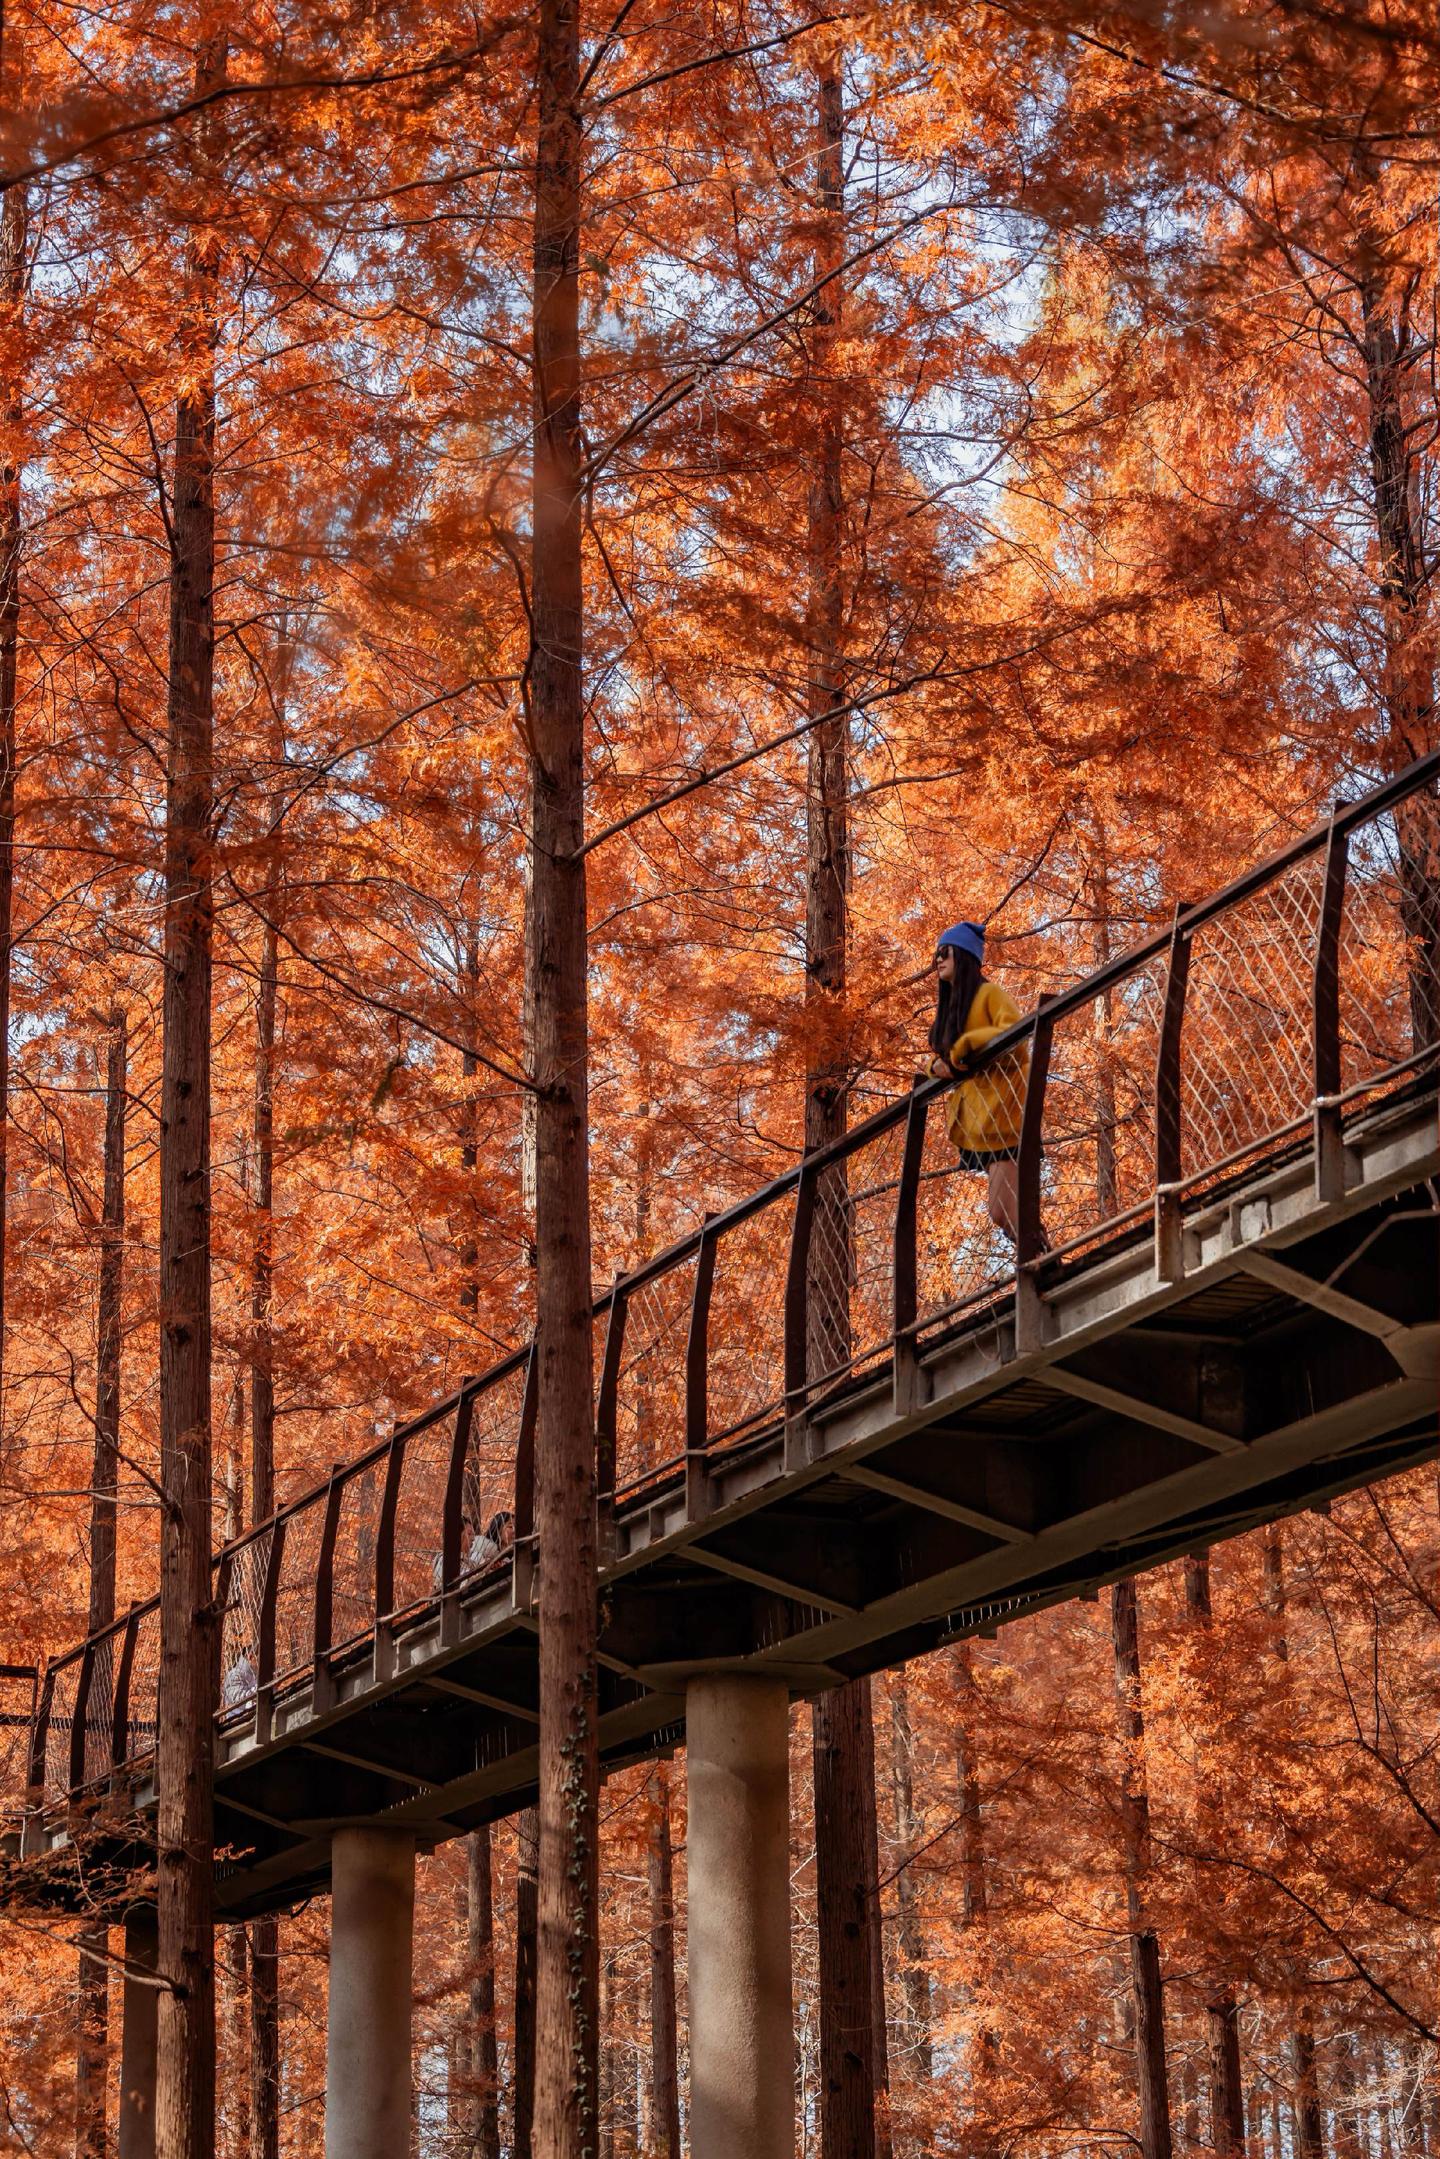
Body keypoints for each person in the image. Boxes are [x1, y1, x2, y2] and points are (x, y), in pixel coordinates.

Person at [926, 918, 1030, 1240]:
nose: (939, 960)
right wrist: (936, 1067)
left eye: (945, 952)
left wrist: (969, 1046)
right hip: (980, 1122)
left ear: (964, 955)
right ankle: (1042, 1262)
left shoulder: (990, 994)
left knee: (1002, 1211)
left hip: (1005, 1118)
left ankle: (1045, 1264)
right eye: (936, 956)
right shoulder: (954, 1010)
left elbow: (1017, 1037)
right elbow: (943, 1056)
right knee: (1006, 1212)